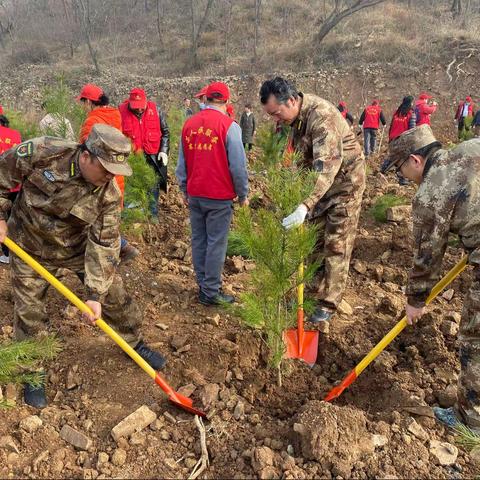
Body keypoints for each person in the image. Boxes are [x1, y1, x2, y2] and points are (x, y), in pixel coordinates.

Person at [0, 124, 167, 408]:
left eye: (115, 171)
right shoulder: (43, 151)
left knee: (114, 295)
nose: (109, 177)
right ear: (86, 155)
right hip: (28, 244)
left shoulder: (109, 194)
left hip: (75, 248)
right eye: (105, 169)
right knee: (29, 311)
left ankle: (132, 341)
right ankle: (33, 371)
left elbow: (105, 245)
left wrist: (94, 295)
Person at [382, 124, 480, 432]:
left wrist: (416, 300)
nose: (402, 177)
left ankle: (472, 419)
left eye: (400, 169)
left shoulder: (430, 192)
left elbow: (428, 253)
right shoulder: (472, 147)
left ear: (415, 160)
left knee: (475, 338)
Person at [259, 77, 365, 324]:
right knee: (314, 240)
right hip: (319, 189)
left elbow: (325, 167)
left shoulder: (321, 118)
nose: (276, 119)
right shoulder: (295, 121)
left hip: (344, 185)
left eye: (276, 113)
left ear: (292, 100)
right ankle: (309, 295)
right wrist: (288, 195)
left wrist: (305, 204)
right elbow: (298, 162)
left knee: (336, 242)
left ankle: (328, 303)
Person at [176, 82, 249, 306]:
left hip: (196, 193)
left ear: (205, 99)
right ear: (226, 102)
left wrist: (183, 188)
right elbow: (238, 167)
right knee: (216, 242)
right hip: (218, 196)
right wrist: (243, 194)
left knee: (199, 239)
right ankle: (210, 291)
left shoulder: (189, 124)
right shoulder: (229, 127)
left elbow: (182, 163)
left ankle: (203, 284)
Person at [77, 83, 138, 263]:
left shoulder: (92, 121)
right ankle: (119, 250)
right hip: (116, 174)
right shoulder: (115, 115)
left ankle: (118, 251)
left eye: (83, 102)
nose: (82, 106)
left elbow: (86, 154)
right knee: (107, 219)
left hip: (99, 176)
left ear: (88, 101)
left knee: (94, 220)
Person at [119, 88, 170, 223]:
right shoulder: (120, 111)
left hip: (153, 156)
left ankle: (152, 213)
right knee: (132, 186)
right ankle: (133, 215)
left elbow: (165, 132)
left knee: (153, 183)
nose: (139, 110)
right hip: (132, 158)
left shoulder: (156, 110)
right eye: (136, 107)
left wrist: (164, 151)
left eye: (141, 107)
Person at [0, 112, 21, 264]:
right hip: (17, 183)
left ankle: (7, 254)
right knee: (16, 219)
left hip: (1, 184)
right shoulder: (15, 134)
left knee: (2, 219)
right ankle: (17, 253)